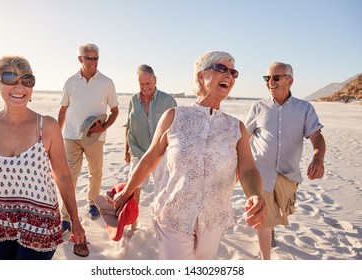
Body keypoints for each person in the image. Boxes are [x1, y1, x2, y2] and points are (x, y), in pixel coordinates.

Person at [113, 51, 267, 260]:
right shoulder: (174, 116)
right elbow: (150, 158)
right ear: (201, 76)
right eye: (221, 69)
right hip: (174, 214)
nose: (229, 75)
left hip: (213, 218)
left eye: (233, 72)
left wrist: (255, 194)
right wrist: (127, 192)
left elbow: (248, 169)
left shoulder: (235, 127)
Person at [0, 56, 85, 260]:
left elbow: (63, 175)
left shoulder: (47, 127)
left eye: (27, 80)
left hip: (40, 223)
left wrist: (75, 220)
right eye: (10, 78)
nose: (19, 86)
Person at [245, 61, 326, 260]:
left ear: (289, 81)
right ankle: (266, 262)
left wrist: (318, 157)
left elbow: (317, 136)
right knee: (263, 218)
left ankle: (271, 226)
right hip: (260, 172)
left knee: (281, 212)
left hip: (287, 175)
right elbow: (244, 137)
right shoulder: (258, 107)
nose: (270, 82)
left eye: (275, 77)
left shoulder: (305, 108)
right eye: (267, 78)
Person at [58, 43, 119, 232]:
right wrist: (57, 134)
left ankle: (92, 202)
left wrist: (104, 126)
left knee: (95, 173)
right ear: (80, 59)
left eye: (96, 58)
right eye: (89, 58)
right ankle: (66, 216)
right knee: (69, 176)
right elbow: (63, 109)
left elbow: (115, 111)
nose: (93, 62)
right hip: (71, 136)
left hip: (95, 138)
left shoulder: (107, 82)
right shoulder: (70, 82)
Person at [124, 64, 177, 235]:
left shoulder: (168, 101)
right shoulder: (133, 100)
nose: (145, 88)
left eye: (149, 84)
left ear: (155, 80)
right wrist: (126, 149)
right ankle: (133, 224)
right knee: (134, 189)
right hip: (139, 151)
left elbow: (178, 128)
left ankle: (164, 224)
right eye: (141, 84)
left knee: (164, 190)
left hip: (163, 154)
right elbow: (129, 126)